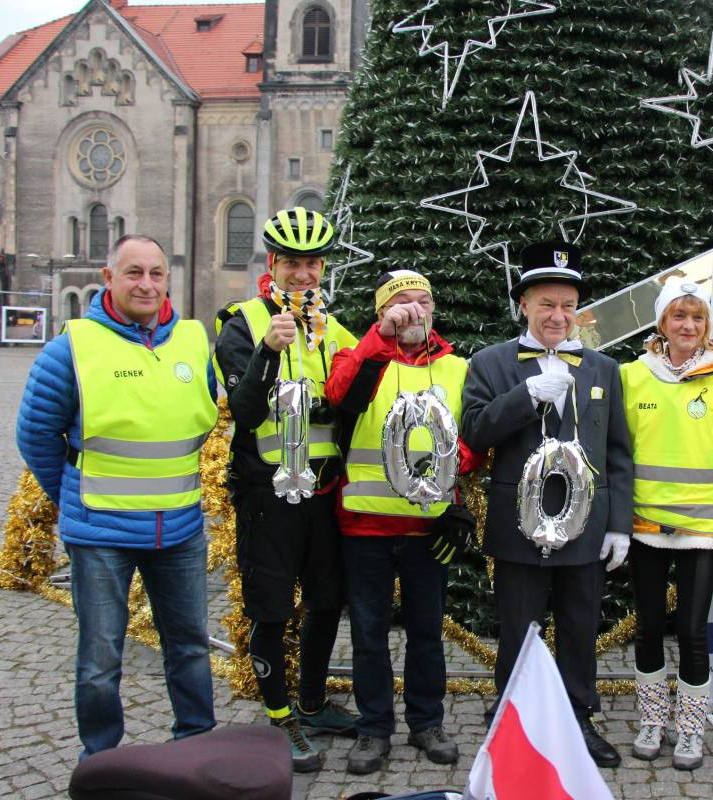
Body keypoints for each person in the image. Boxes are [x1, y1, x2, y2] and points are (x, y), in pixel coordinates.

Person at [16, 234, 218, 759]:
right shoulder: (73, 348)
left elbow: (203, 421)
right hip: (101, 533)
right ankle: (101, 758)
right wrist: (76, 496)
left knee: (191, 647)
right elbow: (36, 434)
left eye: (155, 273)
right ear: (109, 278)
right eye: (133, 273)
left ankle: (195, 745)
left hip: (178, 528)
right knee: (101, 657)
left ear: (167, 278)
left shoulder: (195, 342)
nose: (145, 284)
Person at [462, 241, 633, 768]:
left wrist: (619, 525)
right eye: (546, 304)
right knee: (519, 630)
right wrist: (526, 396)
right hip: (519, 527)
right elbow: (474, 431)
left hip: (587, 527)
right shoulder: (491, 363)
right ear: (524, 305)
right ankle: (514, 719)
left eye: (567, 305)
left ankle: (579, 720)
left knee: (581, 629)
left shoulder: (603, 367)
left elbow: (619, 451)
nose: (558, 316)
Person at [213, 207, 359, 772]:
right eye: (292, 263)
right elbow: (244, 413)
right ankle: (280, 720)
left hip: (323, 495)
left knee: (326, 602)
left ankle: (314, 703)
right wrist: (268, 353)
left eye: (311, 264)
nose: (302, 274)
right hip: (268, 496)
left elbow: (353, 396)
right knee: (271, 610)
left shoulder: (333, 327)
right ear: (273, 263)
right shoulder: (243, 323)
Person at [324, 270, 481, 774]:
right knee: (369, 633)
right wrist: (382, 338)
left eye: (423, 301)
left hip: (425, 528)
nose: (415, 311)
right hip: (364, 526)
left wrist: (451, 476)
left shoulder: (457, 367)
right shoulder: (363, 356)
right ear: (382, 311)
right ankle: (373, 730)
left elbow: (474, 433)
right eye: (402, 303)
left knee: (426, 631)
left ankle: (426, 722)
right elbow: (339, 395)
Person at [620, 281, 713, 770]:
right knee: (646, 629)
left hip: (703, 528)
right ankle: (652, 720)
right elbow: (616, 455)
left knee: (692, 631)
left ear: (708, 326)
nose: (688, 326)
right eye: (679, 317)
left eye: (698, 318)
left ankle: (689, 731)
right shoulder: (632, 377)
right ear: (662, 323)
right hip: (644, 525)